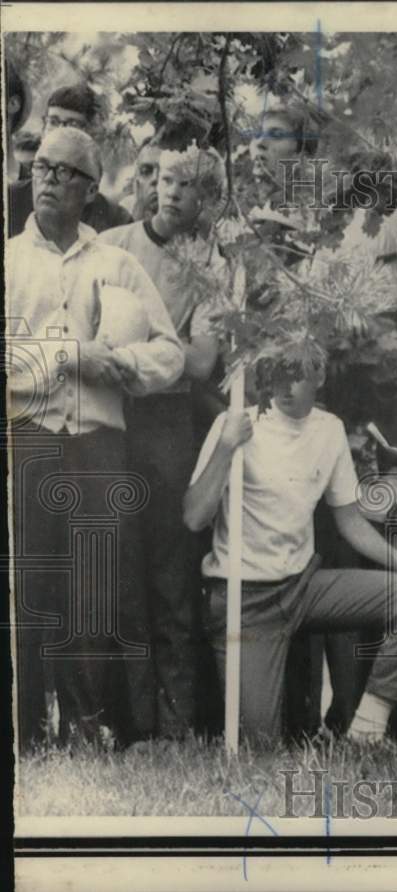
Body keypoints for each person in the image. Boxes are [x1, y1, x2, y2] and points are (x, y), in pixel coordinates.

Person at [8, 126, 184, 749]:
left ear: (89, 188)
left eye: (63, 171)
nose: (47, 178)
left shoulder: (117, 263)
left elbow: (172, 355)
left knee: (98, 588)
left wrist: (125, 367)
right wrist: (72, 355)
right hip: (29, 440)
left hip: (101, 445)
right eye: (42, 167)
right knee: (29, 588)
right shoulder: (9, 260)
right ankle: (24, 732)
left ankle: (98, 728)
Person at [182, 355, 397, 743]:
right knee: (259, 751)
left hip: (303, 588)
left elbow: (351, 522)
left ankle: (367, 729)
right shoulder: (233, 424)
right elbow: (194, 517)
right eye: (275, 375)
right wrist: (225, 446)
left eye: (296, 374)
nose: (284, 387)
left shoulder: (329, 429)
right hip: (245, 601)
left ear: (319, 375)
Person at [99, 146, 229, 740]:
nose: (171, 193)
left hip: (170, 423)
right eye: (165, 179)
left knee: (173, 571)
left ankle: (177, 728)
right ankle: (130, 725)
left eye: (187, 185)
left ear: (206, 199)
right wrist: (160, 346)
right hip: (111, 417)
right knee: (120, 571)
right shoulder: (117, 246)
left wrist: (150, 354)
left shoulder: (211, 265)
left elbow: (202, 363)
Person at [7, 83, 133, 236]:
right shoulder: (11, 200)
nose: (60, 130)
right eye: (53, 121)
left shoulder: (114, 218)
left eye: (72, 124)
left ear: (92, 133)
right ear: (43, 128)